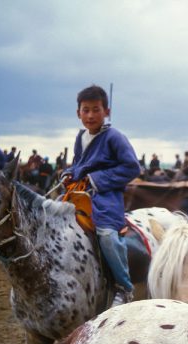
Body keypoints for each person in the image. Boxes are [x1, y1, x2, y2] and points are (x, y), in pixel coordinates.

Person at [62, 85, 140, 307]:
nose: (90, 115)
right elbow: (78, 163)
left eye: (96, 109)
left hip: (105, 197)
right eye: (85, 110)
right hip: (77, 193)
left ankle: (124, 287)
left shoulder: (115, 137)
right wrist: (69, 173)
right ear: (78, 113)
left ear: (107, 111)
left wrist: (97, 179)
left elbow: (132, 167)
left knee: (106, 234)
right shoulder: (80, 137)